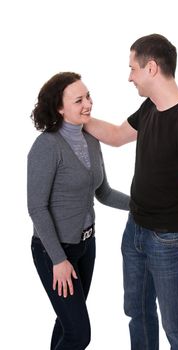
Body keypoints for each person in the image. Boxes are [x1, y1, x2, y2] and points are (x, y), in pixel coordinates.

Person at [84, 34, 178, 350]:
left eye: (132, 68)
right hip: (135, 231)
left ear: (152, 68)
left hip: (170, 241)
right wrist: (79, 117)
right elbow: (118, 135)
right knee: (138, 312)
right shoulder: (149, 108)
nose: (129, 76)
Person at [27, 72, 130, 350]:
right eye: (78, 100)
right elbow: (37, 207)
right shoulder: (46, 146)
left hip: (86, 246)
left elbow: (104, 192)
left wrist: (141, 205)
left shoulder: (91, 139)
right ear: (60, 108)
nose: (88, 104)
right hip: (55, 251)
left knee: (66, 324)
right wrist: (58, 260)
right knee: (78, 334)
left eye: (88, 96)